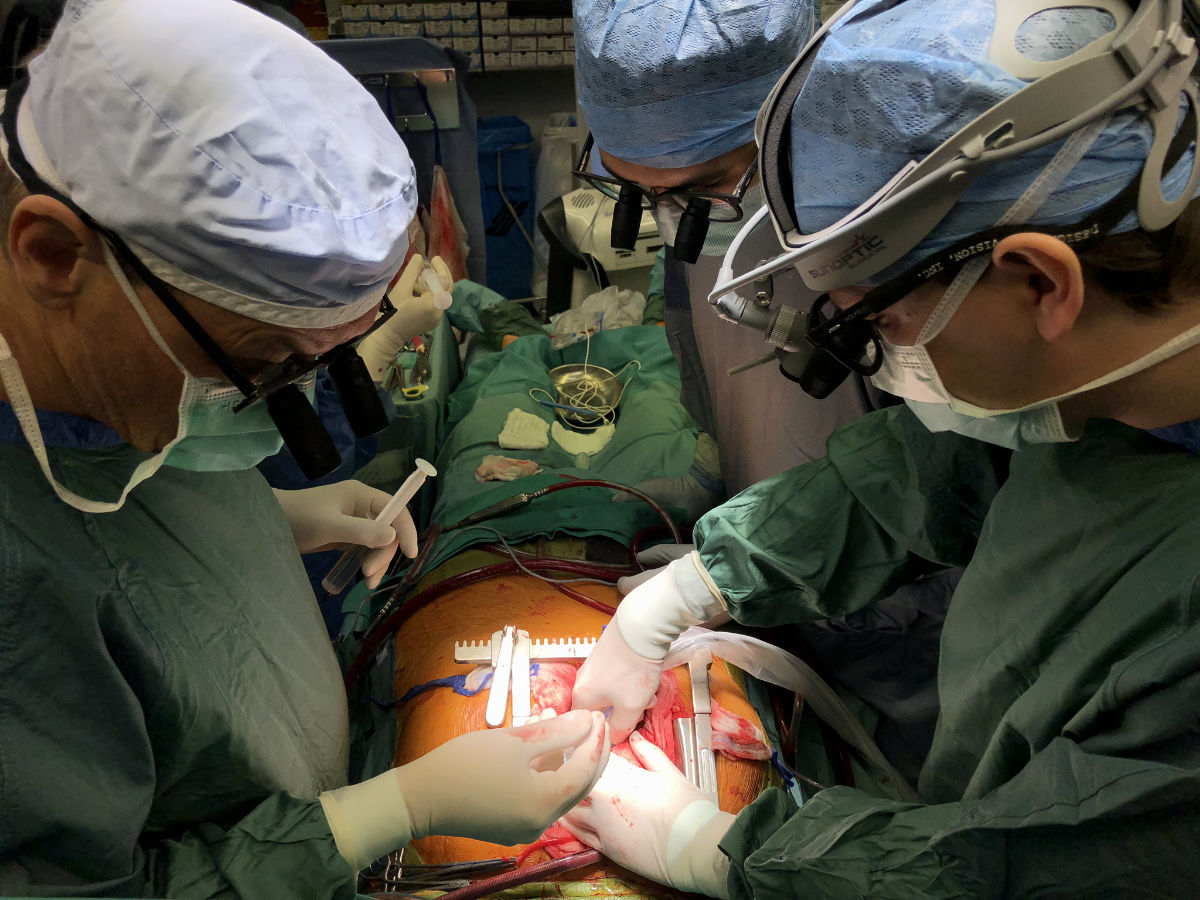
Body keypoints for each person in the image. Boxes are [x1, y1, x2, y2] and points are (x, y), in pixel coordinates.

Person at [566, 0, 1200, 896]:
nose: (885, 354)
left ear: (1040, 280)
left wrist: (729, 853)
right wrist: (698, 585)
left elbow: (1052, 867)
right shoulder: (1093, 388)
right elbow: (940, 461)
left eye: (881, 318)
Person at [0, 1, 608, 895]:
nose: (270, 409)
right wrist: (390, 813)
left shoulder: (101, 369)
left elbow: (119, 524)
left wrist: (271, 516)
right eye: (259, 368)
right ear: (54, 256)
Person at [573, 0, 878, 499]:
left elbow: (945, 486)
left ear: (786, 118)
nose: (668, 223)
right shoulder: (697, 218)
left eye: (701, 190)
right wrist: (711, 468)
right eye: (634, 189)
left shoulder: (878, 237)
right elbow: (694, 347)